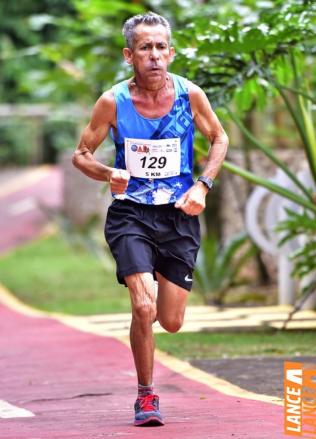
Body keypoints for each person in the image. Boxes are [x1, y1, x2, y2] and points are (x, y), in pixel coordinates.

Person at [72, 11, 229, 427]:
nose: (155, 56)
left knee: (171, 322)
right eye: (145, 48)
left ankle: (159, 278)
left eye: (161, 47)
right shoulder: (113, 102)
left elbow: (219, 137)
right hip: (131, 215)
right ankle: (146, 396)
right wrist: (110, 173)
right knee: (143, 308)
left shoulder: (190, 95)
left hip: (178, 215)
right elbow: (81, 154)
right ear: (129, 55)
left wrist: (203, 185)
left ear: (171, 52)